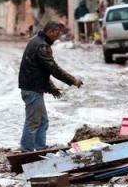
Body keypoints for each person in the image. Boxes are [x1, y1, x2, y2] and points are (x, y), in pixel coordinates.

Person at [18, 21, 84, 151]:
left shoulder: (37, 41)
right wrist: (73, 81)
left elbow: (40, 70)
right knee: (33, 121)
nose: (58, 36)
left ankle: (40, 147)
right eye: (57, 33)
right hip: (32, 90)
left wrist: (51, 87)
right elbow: (53, 69)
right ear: (51, 32)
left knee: (42, 121)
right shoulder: (42, 46)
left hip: (34, 88)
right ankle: (26, 151)